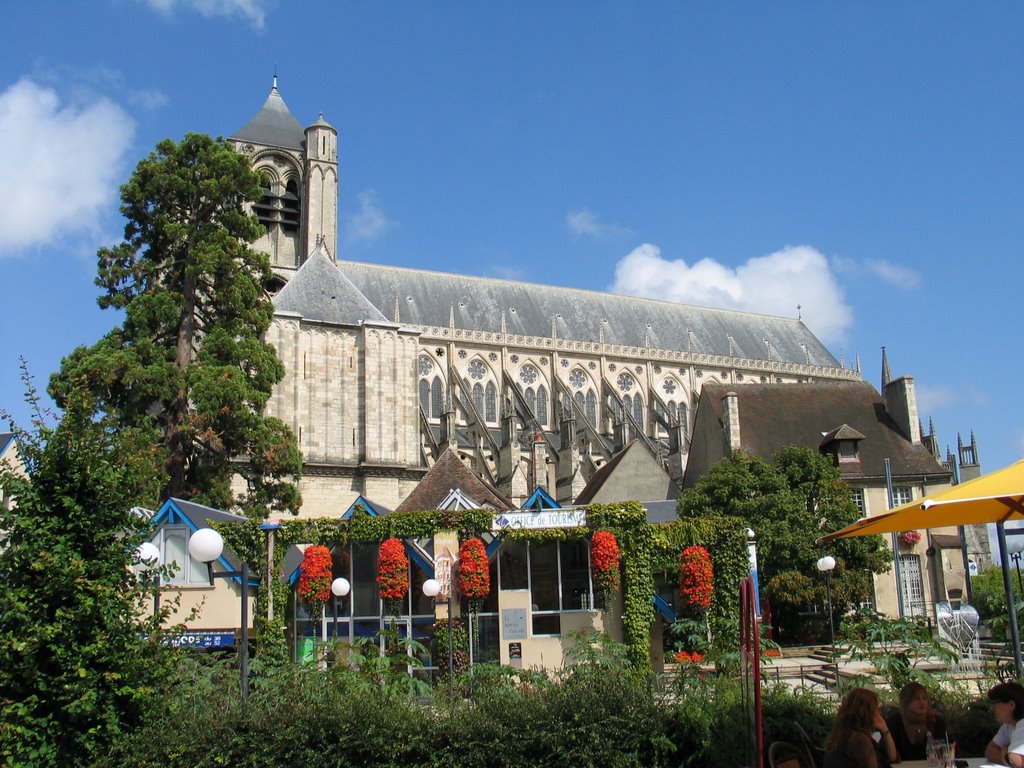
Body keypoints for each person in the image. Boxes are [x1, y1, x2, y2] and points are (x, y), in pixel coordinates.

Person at [824, 688, 898, 768]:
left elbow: (892, 757)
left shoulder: (839, 735)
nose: (879, 713)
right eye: (876, 709)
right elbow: (888, 760)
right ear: (868, 713)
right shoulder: (861, 741)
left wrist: (884, 730)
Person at [885, 681, 947, 761]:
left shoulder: (936, 721)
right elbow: (887, 755)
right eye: (917, 699)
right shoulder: (895, 722)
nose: (922, 702)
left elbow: (942, 753)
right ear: (905, 703)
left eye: (924, 698)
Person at [986, 681, 1024, 767]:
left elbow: (1017, 761)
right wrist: (1005, 757)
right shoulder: (1008, 726)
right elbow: (989, 751)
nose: (992, 709)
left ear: (1011, 705)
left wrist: (1006, 754)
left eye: (994, 704)